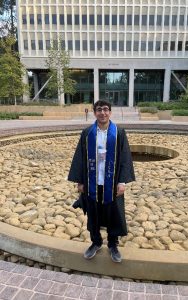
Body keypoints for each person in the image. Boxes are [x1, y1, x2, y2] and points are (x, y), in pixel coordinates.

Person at [68, 100, 135, 263]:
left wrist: (122, 181)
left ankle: (113, 244)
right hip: (92, 181)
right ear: (94, 112)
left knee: (113, 214)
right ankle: (96, 242)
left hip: (112, 183)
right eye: (99, 110)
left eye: (106, 109)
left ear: (110, 112)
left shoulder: (119, 132)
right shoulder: (87, 133)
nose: (103, 113)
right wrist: (80, 181)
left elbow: (125, 157)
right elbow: (80, 157)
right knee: (93, 213)